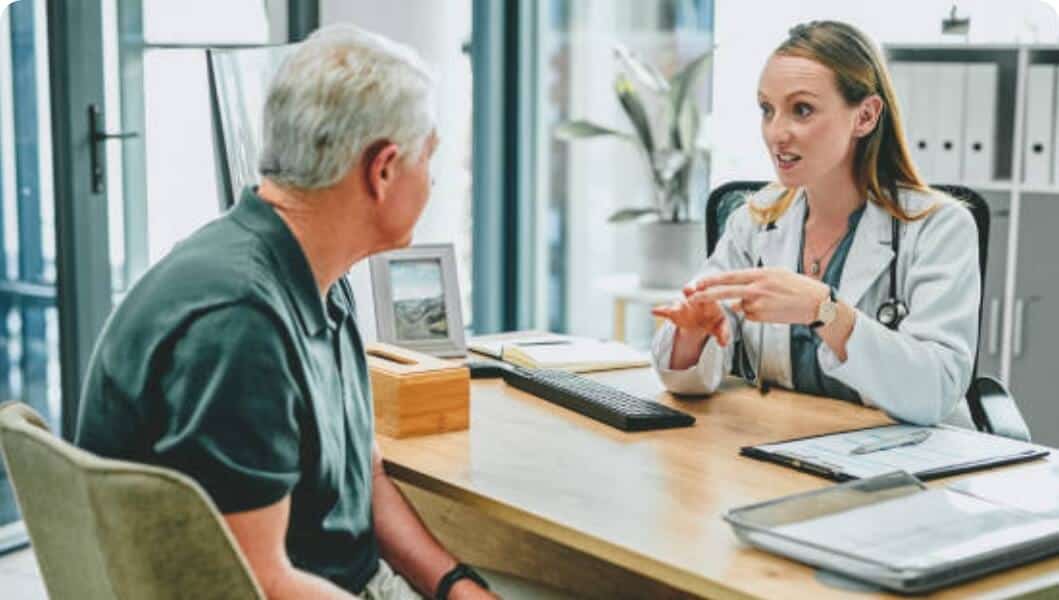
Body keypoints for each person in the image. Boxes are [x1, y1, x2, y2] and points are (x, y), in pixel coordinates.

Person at [75, 25, 495, 600]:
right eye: (430, 157)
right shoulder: (240, 324)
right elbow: (260, 584)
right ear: (384, 169)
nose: (436, 178)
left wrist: (455, 586)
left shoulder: (315, 269)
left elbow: (364, 479)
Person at [651, 20, 980, 427]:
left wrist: (825, 311)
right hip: (787, 446)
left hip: (908, 466)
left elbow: (937, 391)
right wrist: (693, 335)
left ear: (865, 116)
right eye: (767, 110)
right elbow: (685, 379)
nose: (776, 133)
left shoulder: (941, 228)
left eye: (801, 110)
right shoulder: (753, 222)